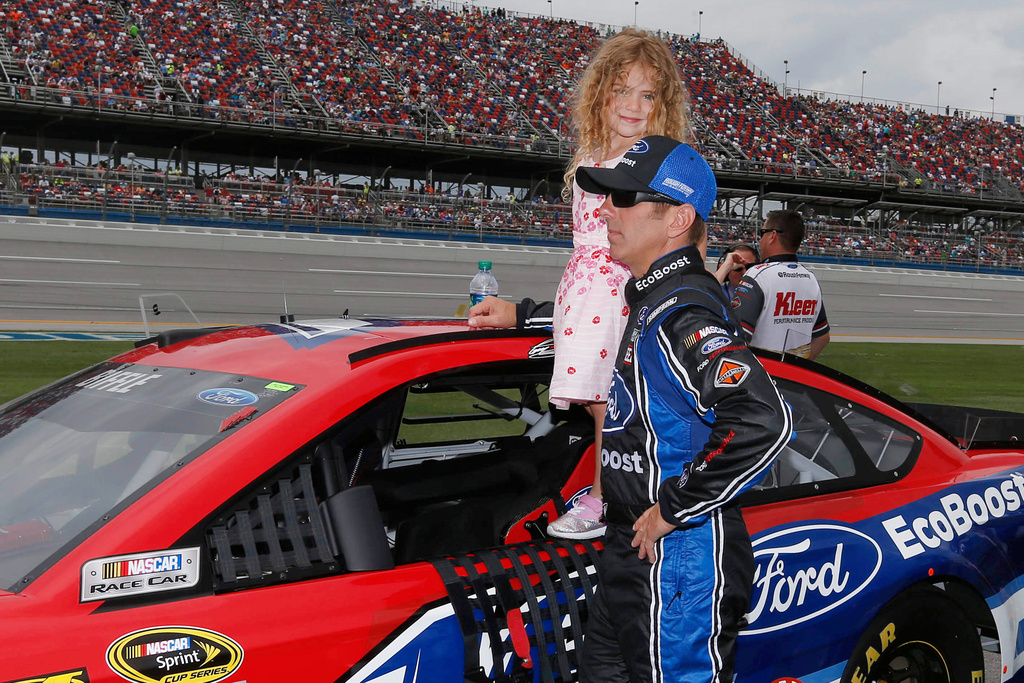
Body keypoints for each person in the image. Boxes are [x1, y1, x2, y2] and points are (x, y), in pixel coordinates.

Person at [568, 135, 792, 683]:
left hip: (679, 555)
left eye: (624, 199)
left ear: (677, 218)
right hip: (633, 548)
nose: (605, 210)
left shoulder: (682, 313)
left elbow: (764, 419)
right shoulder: (654, 301)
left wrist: (675, 507)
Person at [546, 28, 691, 540]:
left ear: (662, 104)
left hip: (616, 291)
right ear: (600, 92)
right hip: (583, 288)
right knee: (595, 401)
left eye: (647, 94)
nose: (633, 104)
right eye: (622, 90)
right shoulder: (589, 153)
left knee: (611, 402)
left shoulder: (650, 164)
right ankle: (614, 489)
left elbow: (670, 236)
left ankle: (607, 497)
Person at [732, 209, 831, 359]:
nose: (760, 240)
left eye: (762, 233)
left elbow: (736, 336)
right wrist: (800, 368)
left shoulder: (757, 275)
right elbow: (822, 337)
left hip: (762, 377)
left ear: (772, 236)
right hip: (793, 378)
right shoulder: (810, 279)